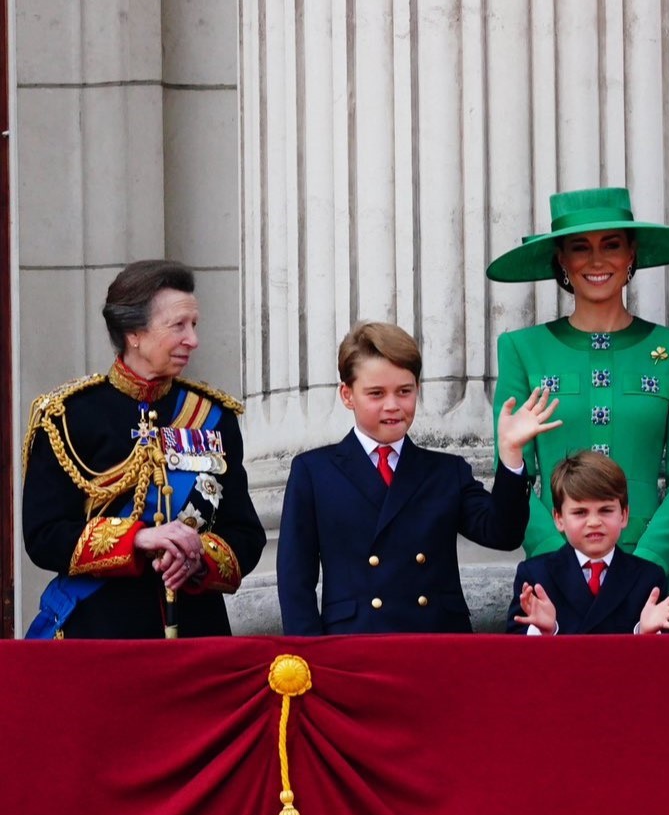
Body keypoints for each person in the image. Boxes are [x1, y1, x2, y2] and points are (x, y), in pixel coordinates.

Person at [21, 260, 265, 638]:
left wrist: (197, 556)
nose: (193, 340)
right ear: (134, 332)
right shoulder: (68, 416)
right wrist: (136, 539)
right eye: (178, 326)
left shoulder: (213, 417)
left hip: (197, 632)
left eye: (194, 325)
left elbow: (246, 535)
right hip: (101, 633)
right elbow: (44, 535)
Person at [277, 322, 562, 634]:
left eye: (404, 391)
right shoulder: (314, 471)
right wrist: (308, 653)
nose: (392, 406)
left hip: (436, 641)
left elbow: (503, 534)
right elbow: (295, 577)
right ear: (347, 395)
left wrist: (511, 454)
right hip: (354, 642)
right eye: (376, 393)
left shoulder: (446, 471)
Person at [488, 187, 669, 585]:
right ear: (562, 259)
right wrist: (555, 560)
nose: (597, 260)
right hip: (553, 579)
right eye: (580, 248)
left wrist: (649, 561)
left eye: (611, 245)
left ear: (631, 253)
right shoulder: (522, 349)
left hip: (646, 575)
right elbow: (513, 471)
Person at [506, 451, 669, 635]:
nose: (594, 522)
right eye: (580, 512)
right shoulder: (535, 576)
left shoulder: (649, 577)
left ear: (624, 515)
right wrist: (545, 631)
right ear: (559, 518)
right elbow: (511, 646)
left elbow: (663, 651)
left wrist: (645, 633)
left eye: (606, 510)